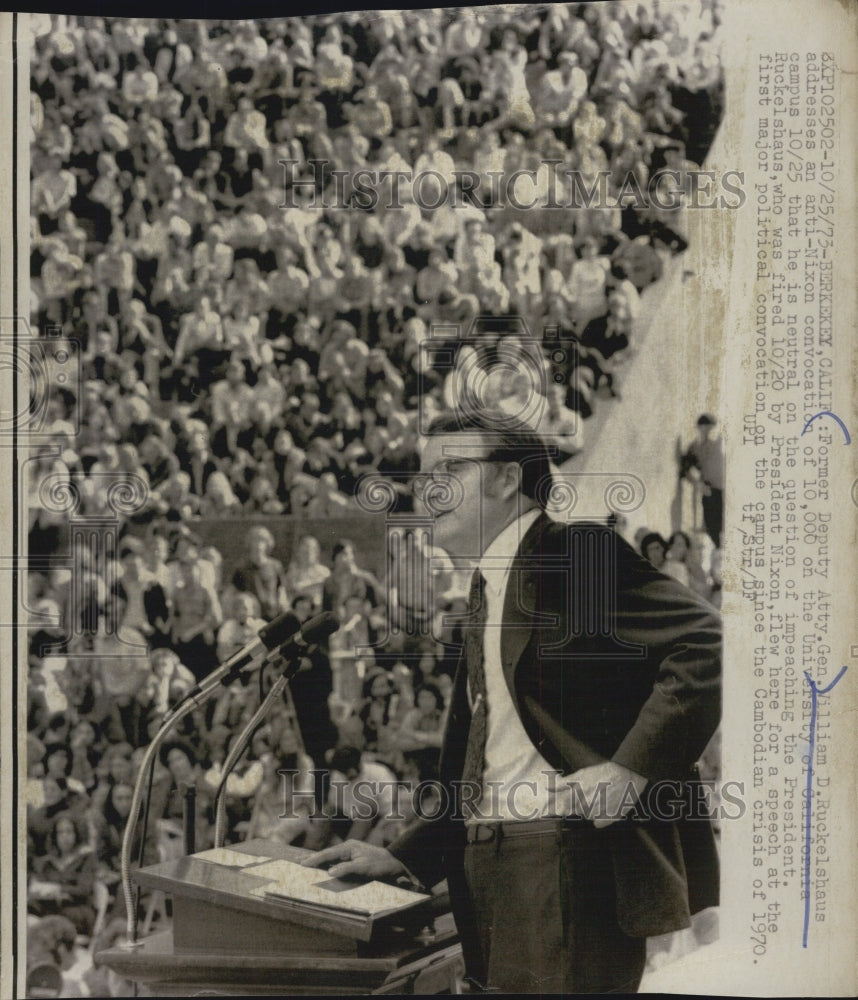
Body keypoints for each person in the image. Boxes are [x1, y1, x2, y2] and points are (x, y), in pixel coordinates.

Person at [306, 409, 721, 994]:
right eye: (424, 478)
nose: (430, 492)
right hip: (488, 866)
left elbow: (709, 642)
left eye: (450, 470)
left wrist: (630, 770)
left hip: (560, 859)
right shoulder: (482, 590)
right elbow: (483, 760)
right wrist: (406, 856)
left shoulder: (575, 551)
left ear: (506, 479)